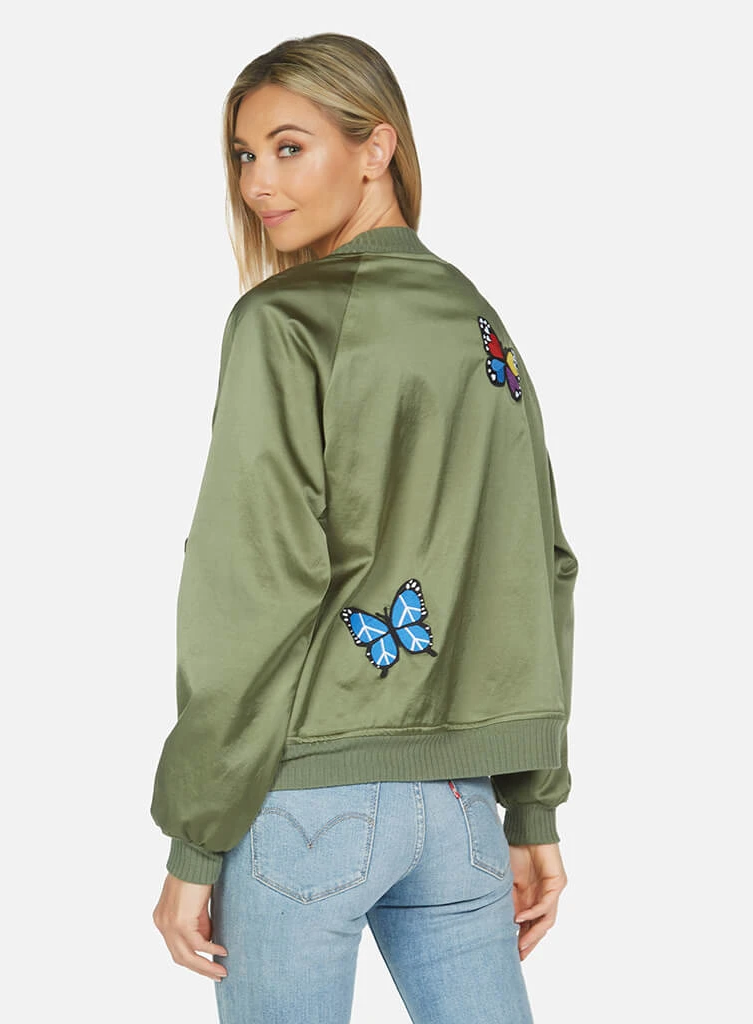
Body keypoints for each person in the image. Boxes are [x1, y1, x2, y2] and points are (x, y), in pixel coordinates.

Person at [150, 31, 579, 1024]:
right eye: (244, 154)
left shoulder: (282, 321)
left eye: (288, 147)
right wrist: (533, 802)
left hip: (306, 801)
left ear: (376, 148)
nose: (258, 182)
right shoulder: (479, 324)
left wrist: (195, 838)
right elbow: (538, 563)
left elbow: (253, 585)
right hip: (461, 805)